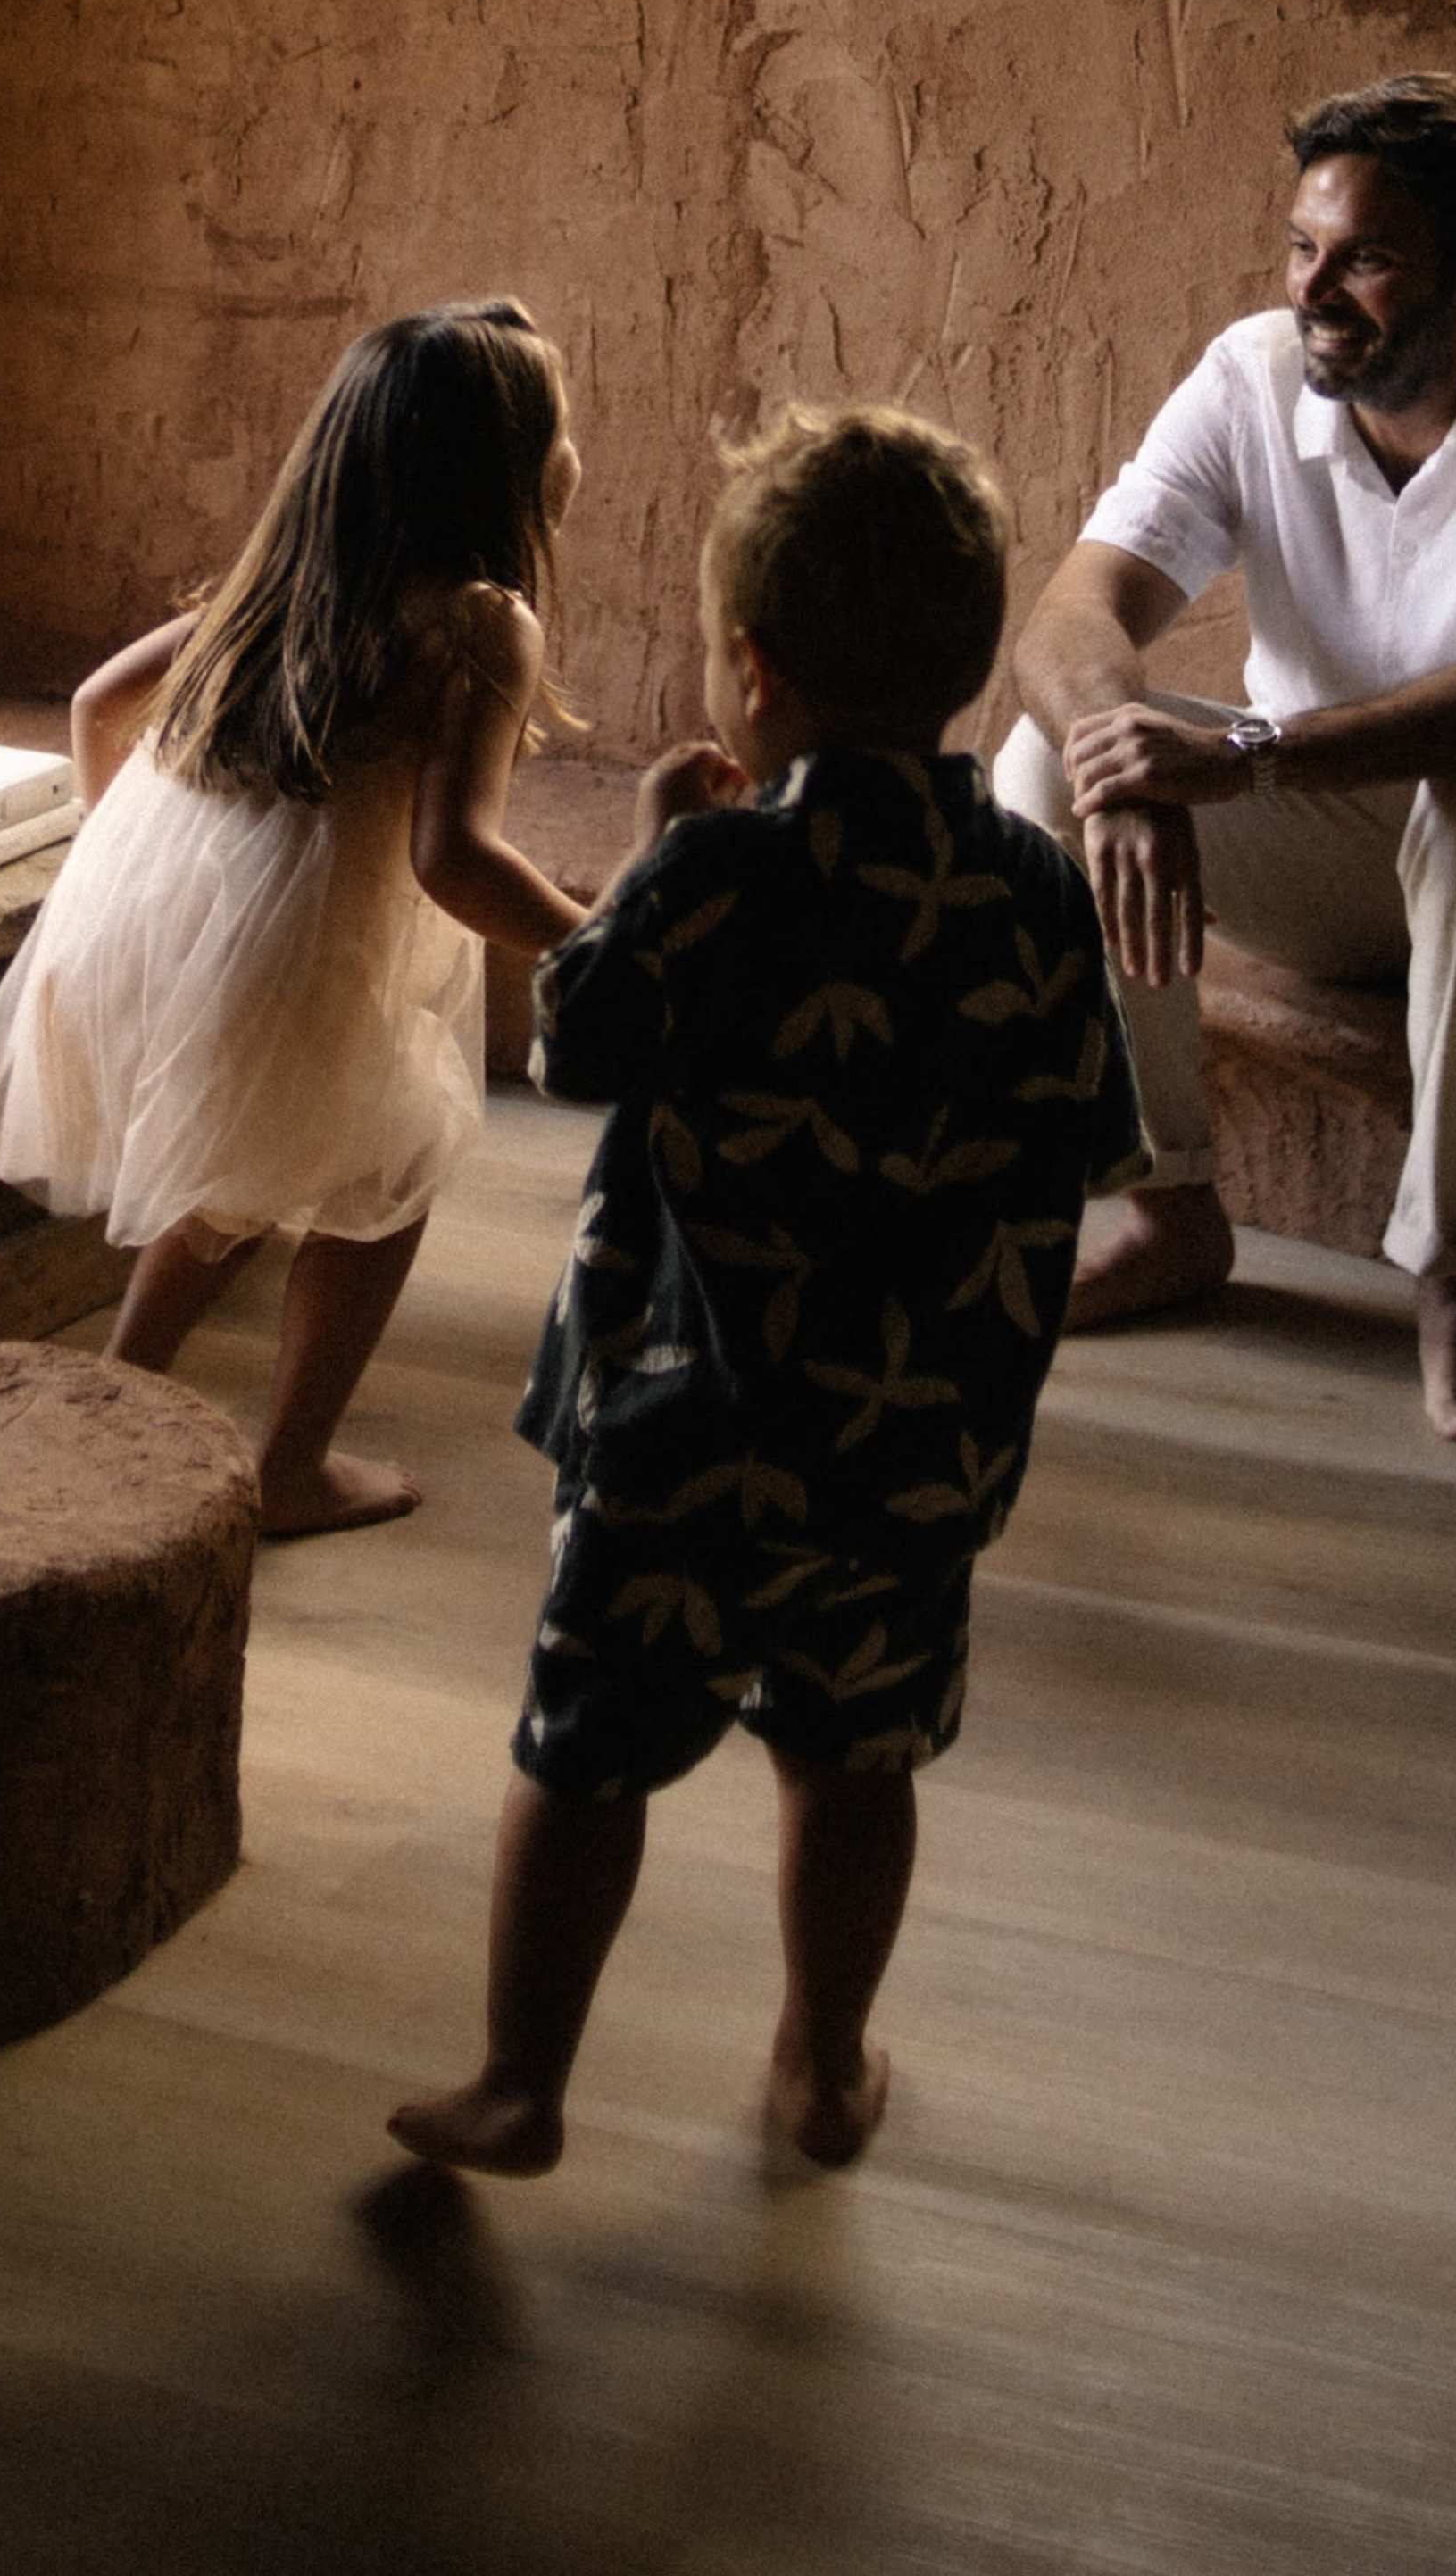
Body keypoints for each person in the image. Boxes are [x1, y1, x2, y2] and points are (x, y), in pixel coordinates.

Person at [391, 404, 1140, 2182]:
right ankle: (822, 2057)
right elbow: (1093, 1134)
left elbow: (578, 1044)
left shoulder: (718, 875)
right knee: (855, 1758)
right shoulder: (1035, 887)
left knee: (586, 1752)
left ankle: (521, 2083)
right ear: (967, 666)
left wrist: (657, 855)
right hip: (914, 1447)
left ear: (754, 671)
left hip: (682, 1434)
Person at [998, 72, 1456, 1450]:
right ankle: (1167, 1205)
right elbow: (1074, 611)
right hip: (1343, 838)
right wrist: (1126, 770)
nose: (1314, 290)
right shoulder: (1252, 375)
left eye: (1367, 258)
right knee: (1045, 762)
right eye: (1301, 246)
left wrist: (1247, 756)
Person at [0, 296, 590, 1536]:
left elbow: (97, 704)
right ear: (500, 468)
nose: (574, 452)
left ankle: (116, 1398)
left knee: (230, 1170)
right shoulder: (481, 624)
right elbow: (453, 858)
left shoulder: (281, 584)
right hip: (301, 968)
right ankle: (289, 1464)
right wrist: (597, 939)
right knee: (389, 1173)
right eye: (557, 426)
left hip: (163, 947)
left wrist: (129, 873)